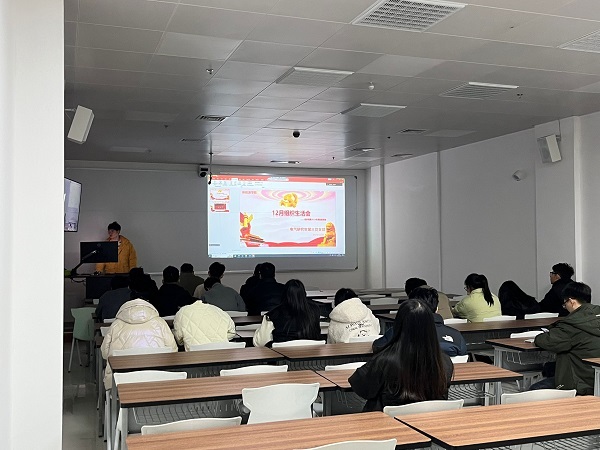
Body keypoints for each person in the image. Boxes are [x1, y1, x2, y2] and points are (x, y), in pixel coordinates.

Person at [349, 299, 453, 412]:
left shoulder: (384, 361)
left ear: (398, 325)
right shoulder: (444, 362)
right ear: (431, 327)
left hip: (388, 421)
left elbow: (361, 388)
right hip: (430, 421)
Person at [532, 282, 600, 395]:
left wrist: (540, 336)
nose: (565, 307)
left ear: (571, 301)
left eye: (565, 304)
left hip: (581, 383)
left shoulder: (571, 325)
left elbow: (547, 341)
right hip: (596, 379)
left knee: (534, 390)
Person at [100, 298, 178, 389]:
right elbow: (173, 351)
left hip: (121, 382)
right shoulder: (161, 323)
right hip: (158, 379)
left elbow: (105, 353)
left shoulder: (115, 325)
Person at [373, 287, 467, 356]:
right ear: (437, 309)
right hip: (446, 377)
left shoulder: (396, 332)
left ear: (411, 307)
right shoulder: (456, 336)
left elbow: (378, 347)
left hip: (406, 377)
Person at [253, 279, 321, 347]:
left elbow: (261, 342)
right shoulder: (314, 310)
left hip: (281, 352)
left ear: (283, 294)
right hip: (311, 352)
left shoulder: (273, 314)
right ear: (304, 294)